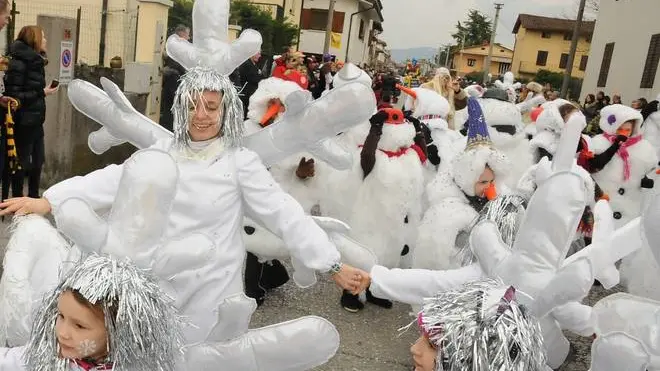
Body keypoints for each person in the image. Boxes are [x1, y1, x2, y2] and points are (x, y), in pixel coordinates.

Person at [0, 66, 365, 355]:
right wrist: (50, 201)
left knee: (202, 359)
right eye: (193, 105)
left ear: (227, 111)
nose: (201, 115)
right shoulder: (165, 149)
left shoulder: (241, 162)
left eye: (211, 106)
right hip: (159, 281)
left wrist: (330, 263)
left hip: (211, 290)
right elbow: (116, 179)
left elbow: (283, 213)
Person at [0, 253, 182, 370]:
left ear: (119, 332)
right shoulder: (50, 355)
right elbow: (13, 360)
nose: (62, 333)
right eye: (60, 316)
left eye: (79, 326)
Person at [4, 26, 58, 199]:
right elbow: (14, 95)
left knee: (38, 162)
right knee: (21, 164)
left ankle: (34, 199)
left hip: (36, 121)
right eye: (42, 37)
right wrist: (42, 92)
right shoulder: (19, 62)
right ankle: (18, 200)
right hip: (23, 122)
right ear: (34, 39)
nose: (45, 40)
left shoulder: (36, 60)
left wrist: (42, 91)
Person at [238, 51, 264, 119]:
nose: (260, 56)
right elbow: (255, 79)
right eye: (258, 53)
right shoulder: (247, 64)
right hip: (247, 96)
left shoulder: (252, 64)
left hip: (250, 95)